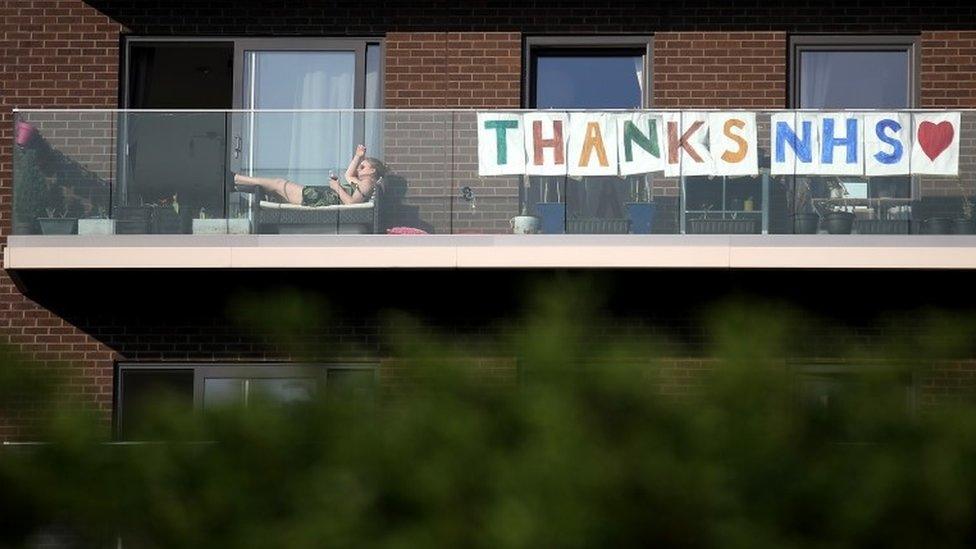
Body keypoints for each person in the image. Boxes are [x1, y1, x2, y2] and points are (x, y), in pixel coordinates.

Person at [234, 145, 386, 207]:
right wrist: (358, 157)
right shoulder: (362, 183)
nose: (359, 169)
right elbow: (348, 175)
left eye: (363, 166)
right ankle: (236, 185)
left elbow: (352, 204)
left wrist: (337, 187)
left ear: (373, 171)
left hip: (319, 198)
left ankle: (236, 179)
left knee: (279, 185)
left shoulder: (367, 184)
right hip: (319, 196)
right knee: (275, 189)